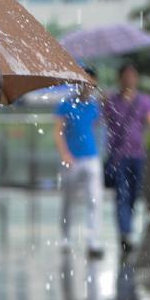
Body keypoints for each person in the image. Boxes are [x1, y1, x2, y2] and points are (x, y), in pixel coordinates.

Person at [103, 64, 150, 254]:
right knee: (122, 194)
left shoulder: (143, 101)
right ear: (120, 78)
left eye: (133, 76)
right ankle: (125, 233)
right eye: (127, 76)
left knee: (134, 195)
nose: (130, 79)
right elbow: (97, 119)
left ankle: (126, 228)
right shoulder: (111, 100)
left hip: (138, 155)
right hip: (118, 157)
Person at [53, 66, 104, 260]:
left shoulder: (94, 106)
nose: (87, 86)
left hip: (91, 157)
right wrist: (64, 153)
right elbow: (57, 131)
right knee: (68, 199)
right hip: (71, 158)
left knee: (94, 200)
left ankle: (93, 240)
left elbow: (98, 128)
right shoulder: (66, 105)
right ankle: (66, 236)